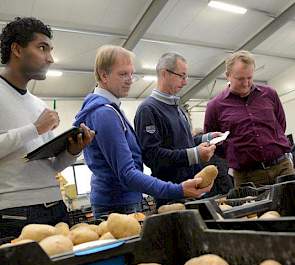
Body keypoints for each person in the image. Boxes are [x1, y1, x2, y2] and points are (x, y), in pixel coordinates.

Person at [74, 45, 213, 218]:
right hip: (118, 203)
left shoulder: (110, 109)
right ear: (104, 75)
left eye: (131, 74)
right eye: (123, 74)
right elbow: (127, 173)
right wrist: (177, 189)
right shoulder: (105, 113)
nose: (130, 80)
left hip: (121, 199)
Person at [0, 17, 95, 237]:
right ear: (17, 49)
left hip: (55, 206)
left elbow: (50, 167)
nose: (50, 59)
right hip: (14, 213)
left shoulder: (38, 103)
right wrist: (35, 128)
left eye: (50, 50)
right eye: (42, 48)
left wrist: (73, 151)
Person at [134, 52, 219, 206]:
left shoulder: (177, 107)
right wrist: (195, 155)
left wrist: (206, 138)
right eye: (182, 76)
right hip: (173, 195)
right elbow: (152, 156)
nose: (185, 82)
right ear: (164, 74)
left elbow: (182, 143)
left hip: (194, 189)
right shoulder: (148, 110)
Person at [204, 50, 295, 187]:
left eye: (250, 77)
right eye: (240, 79)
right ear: (228, 75)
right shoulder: (215, 106)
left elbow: (280, 125)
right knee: (254, 209)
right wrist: (237, 155)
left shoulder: (269, 94)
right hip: (247, 177)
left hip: (282, 167)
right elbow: (213, 141)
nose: (246, 83)